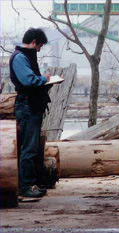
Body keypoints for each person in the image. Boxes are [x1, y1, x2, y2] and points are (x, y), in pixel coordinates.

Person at [9, 28, 51, 198]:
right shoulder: (20, 57)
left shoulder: (23, 56)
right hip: (27, 106)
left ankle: (29, 183)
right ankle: (25, 186)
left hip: (29, 105)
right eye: (39, 46)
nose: (39, 50)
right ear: (34, 42)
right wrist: (45, 79)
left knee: (30, 146)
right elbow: (29, 80)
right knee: (28, 147)